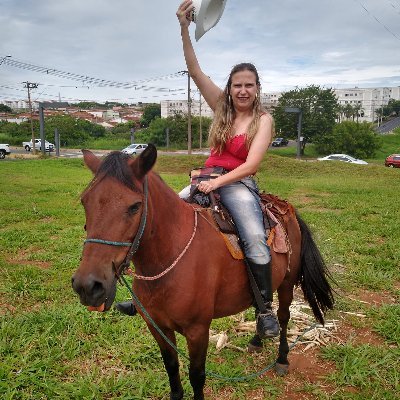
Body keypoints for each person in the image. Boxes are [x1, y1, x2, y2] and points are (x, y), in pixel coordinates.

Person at [116, 0, 280, 339]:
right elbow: (195, 70)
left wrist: (219, 181)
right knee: (151, 218)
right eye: (237, 85)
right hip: (205, 178)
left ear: (257, 88)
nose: (243, 90)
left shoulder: (263, 120)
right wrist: (183, 29)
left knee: (253, 238)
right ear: (231, 88)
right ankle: (145, 294)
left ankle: (265, 309)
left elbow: (252, 164)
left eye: (249, 85)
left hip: (237, 183)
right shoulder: (222, 108)